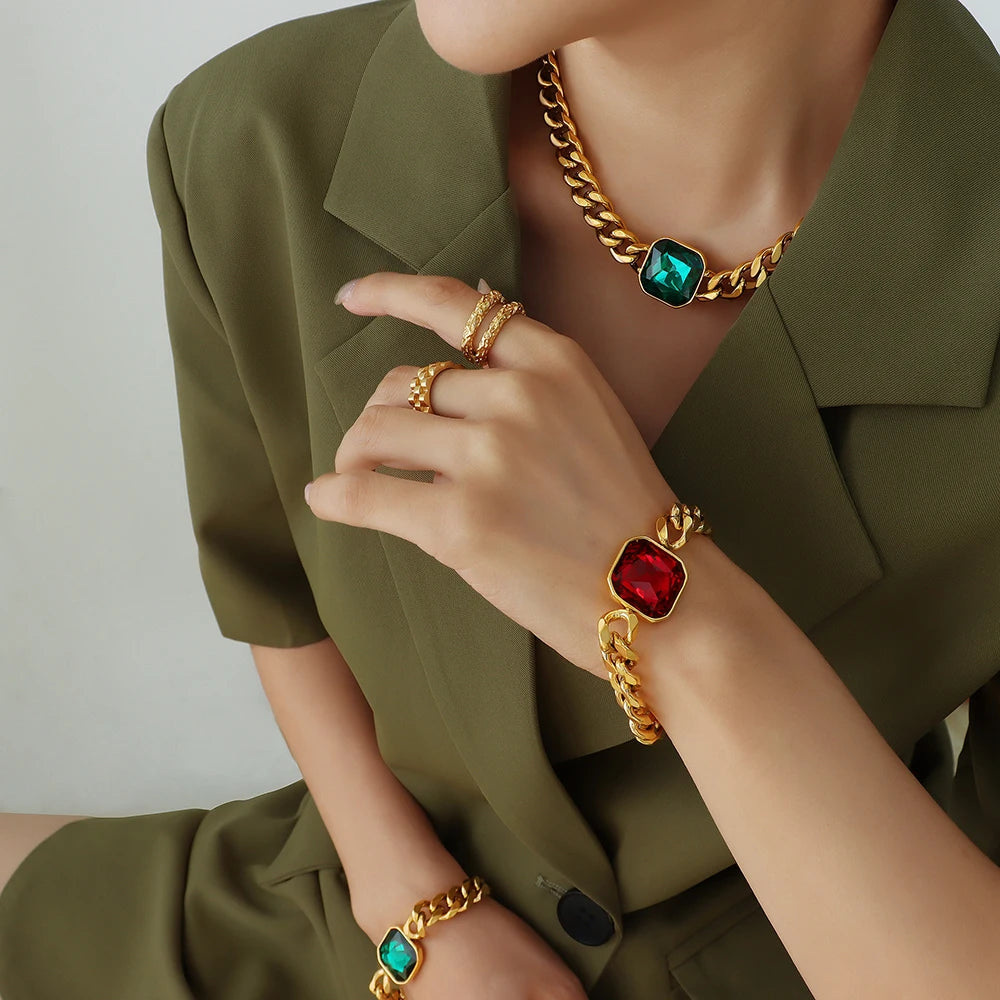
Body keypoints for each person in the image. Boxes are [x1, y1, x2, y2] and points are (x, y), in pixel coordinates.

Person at [1, 0, 998, 995]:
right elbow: (276, 589)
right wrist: (413, 911)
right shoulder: (260, 133)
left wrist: (672, 611)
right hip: (365, 921)